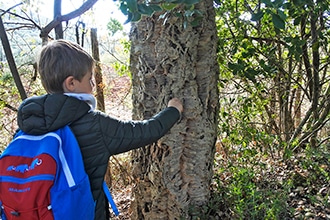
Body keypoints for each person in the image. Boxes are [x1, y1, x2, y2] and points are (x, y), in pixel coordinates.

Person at [16, 39, 183, 219]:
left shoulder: (29, 125)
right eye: (90, 79)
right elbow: (144, 131)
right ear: (71, 83)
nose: (93, 85)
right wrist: (173, 111)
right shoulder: (94, 124)